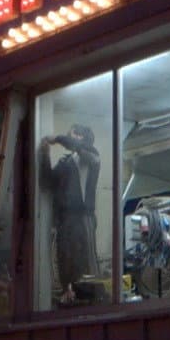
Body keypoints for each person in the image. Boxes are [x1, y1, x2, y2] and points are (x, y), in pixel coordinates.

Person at [40, 123, 101, 303]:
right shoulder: (65, 163)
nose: (69, 136)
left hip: (83, 217)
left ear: (82, 137)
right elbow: (47, 182)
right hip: (65, 219)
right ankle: (68, 290)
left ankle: (90, 296)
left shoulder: (92, 157)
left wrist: (57, 139)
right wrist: (45, 154)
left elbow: (78, 146)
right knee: (64, 255)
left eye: (73, 134)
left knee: (84, 258)